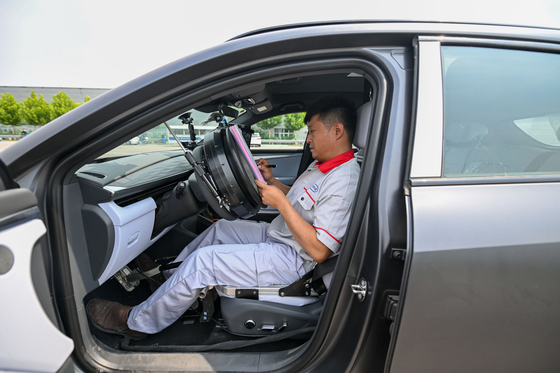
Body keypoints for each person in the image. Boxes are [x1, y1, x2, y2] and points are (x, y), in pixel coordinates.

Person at [87, 96, 360, 339]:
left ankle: (136, 323)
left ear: (337, 131)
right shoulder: (322, 166)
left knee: (204, 263)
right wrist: (273, 182)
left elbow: (320, 250)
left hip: (297, 261)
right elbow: (303, 204)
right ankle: (170, 281)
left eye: (312, 131)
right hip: (283, 236)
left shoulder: (343, 180)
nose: (308, 138)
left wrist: (280, 203)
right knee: (221, 230)